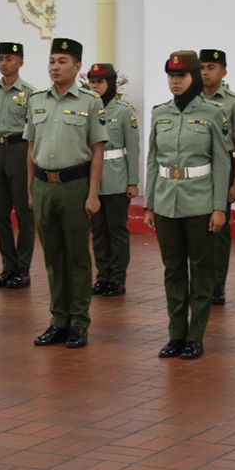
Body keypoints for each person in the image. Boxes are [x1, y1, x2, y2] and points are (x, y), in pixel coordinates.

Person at [144, 51, 230, 360]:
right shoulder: (160, 113)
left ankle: (196, 335)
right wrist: (150, 204)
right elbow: (153, 161)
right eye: (171, 76)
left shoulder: (212, 113)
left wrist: (219, 207)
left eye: (181, 76)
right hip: (167, 201)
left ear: (193, 77)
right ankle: (176, 334)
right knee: (173, 270)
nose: (175, 81)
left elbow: (222, 164)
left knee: (202, 270)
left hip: (200, 201)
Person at [25, 38, 107, 350]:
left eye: (62, 62)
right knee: (53, 257)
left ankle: (78, 322)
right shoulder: (36, 100)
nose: (55, 67)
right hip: (44, 186)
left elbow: (97, 151)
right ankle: (58, 319)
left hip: (75, 186)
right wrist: (31, 189)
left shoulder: (90, 102)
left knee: (77, 257)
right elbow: (31, 146)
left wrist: (92, 194)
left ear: (77, 68)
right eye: (52, 61)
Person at [0, 42, 37, 290]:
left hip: (19, 151)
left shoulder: (30, 94)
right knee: (0, 214)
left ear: (21, 62)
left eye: (10, 59)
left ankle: (22, 268)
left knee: (24, 214)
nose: (4, 63)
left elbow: (33, 134)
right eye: (1, 58)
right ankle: (7, 266)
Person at [200, 49, 235, 305]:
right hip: (195, 168)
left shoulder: (234, 102)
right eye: (202, 67)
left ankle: (217, 283)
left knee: (219, 227)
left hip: (223, 168)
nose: (205, 72)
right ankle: (200, 281)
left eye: (211, 67)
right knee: (196, 226)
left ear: (224, 72)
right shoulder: (190, 98)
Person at [87, 62, 138, 297]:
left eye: (100, 82)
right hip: (92, 181)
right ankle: (103, 276)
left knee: (116, 230)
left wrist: (133, 181)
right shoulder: (85, 108)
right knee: (98, 231)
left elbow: (133, 148)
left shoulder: (124, 112)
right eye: (92, 82)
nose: (95, 86)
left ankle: (118, 278)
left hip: (117, 178)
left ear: (111, 84)